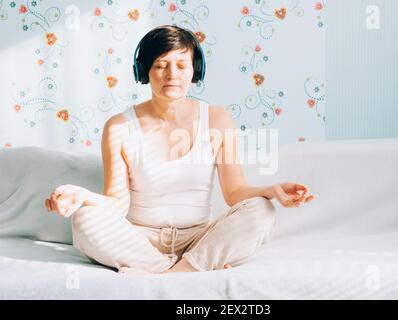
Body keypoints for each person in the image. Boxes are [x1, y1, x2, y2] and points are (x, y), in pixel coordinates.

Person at [44, 24, 314, 274]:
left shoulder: (218, 120)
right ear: (144, 71)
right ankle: (181, 271)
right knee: (84, 219)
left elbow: (235, 193)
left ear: (194, 69)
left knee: (262, 210)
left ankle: (167, 272)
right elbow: (116, 203)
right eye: (161, 65)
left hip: (200, 237)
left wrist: (272, 191)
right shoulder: (119, 127)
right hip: (140, 239)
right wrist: (81, 196)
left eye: (181, 65)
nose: (172, 75)